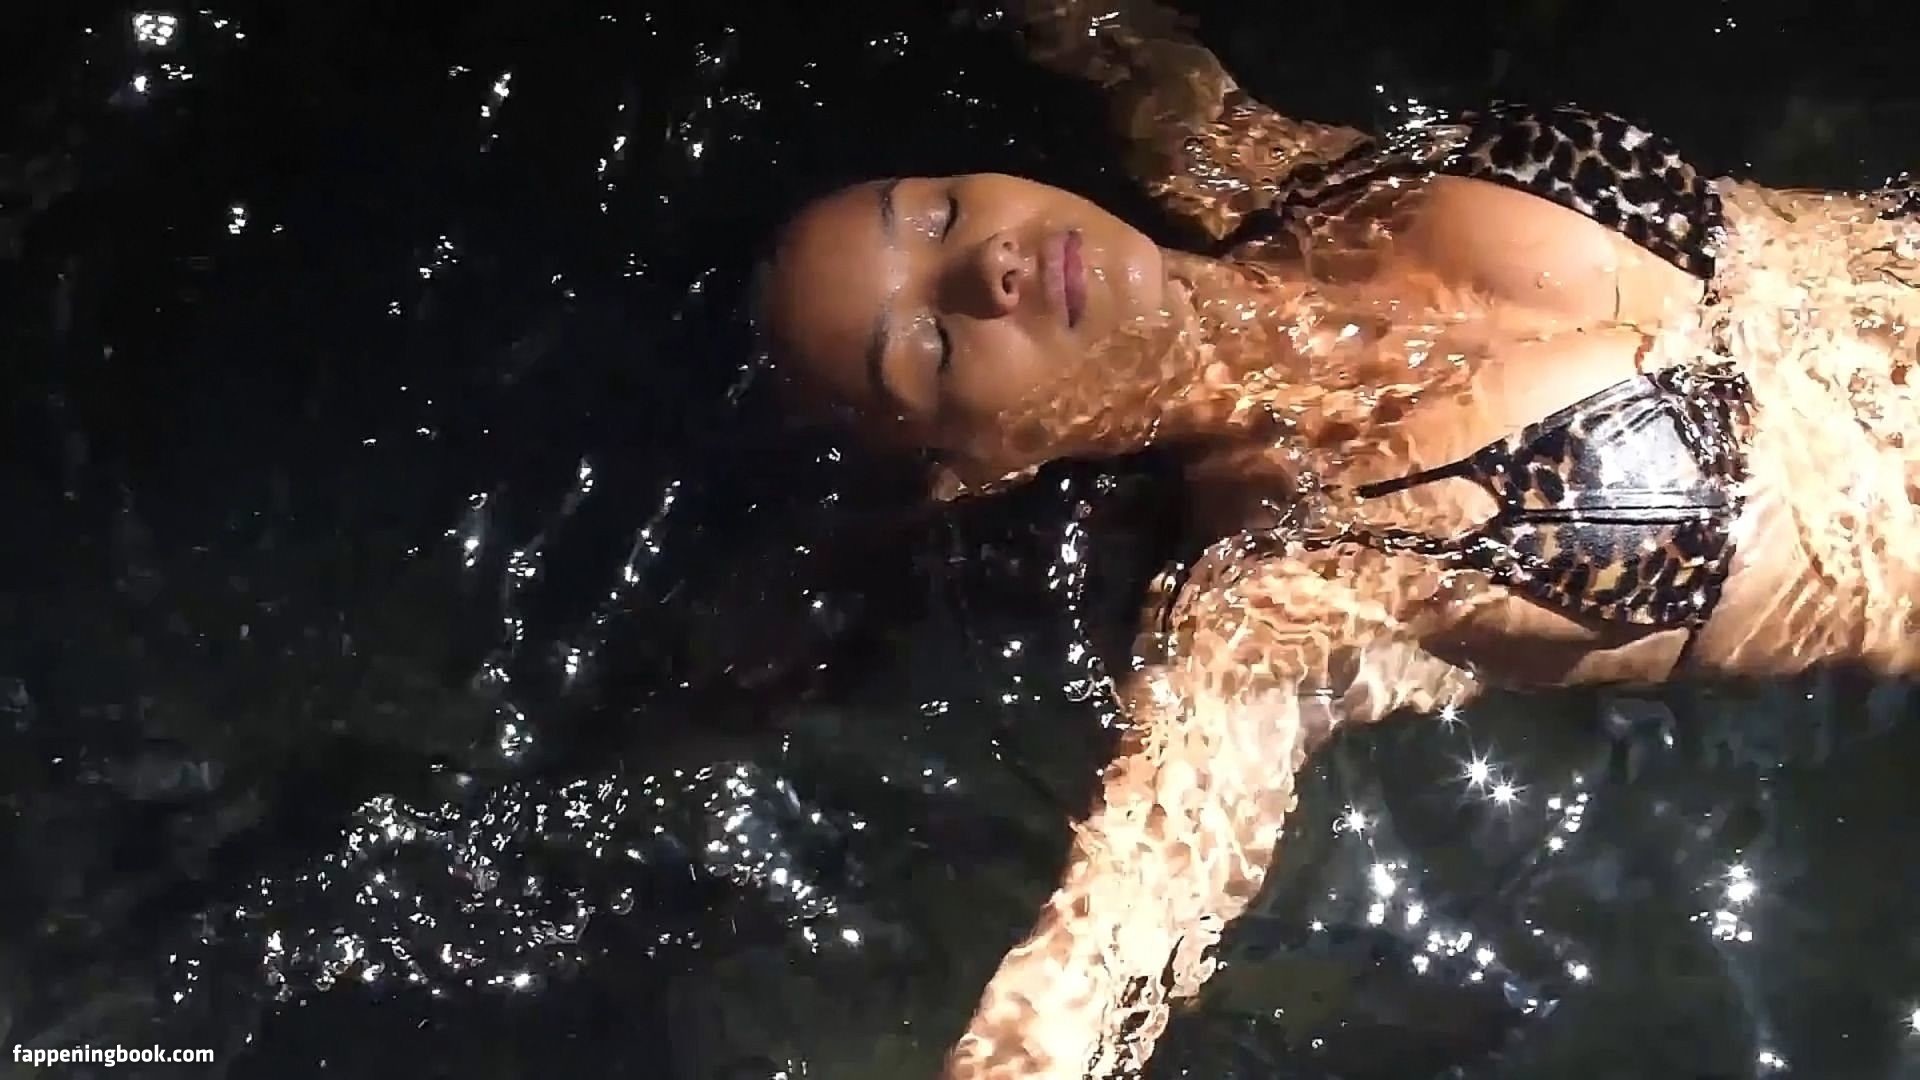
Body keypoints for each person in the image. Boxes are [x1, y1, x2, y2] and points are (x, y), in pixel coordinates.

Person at [754, 1, 1920, 1075]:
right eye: (932, 346)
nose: (988, 265)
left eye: (938, 213)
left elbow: (1111, 38)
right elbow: (1094, 964)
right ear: (978, 467)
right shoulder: (1280, 599)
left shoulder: (1275, 173)